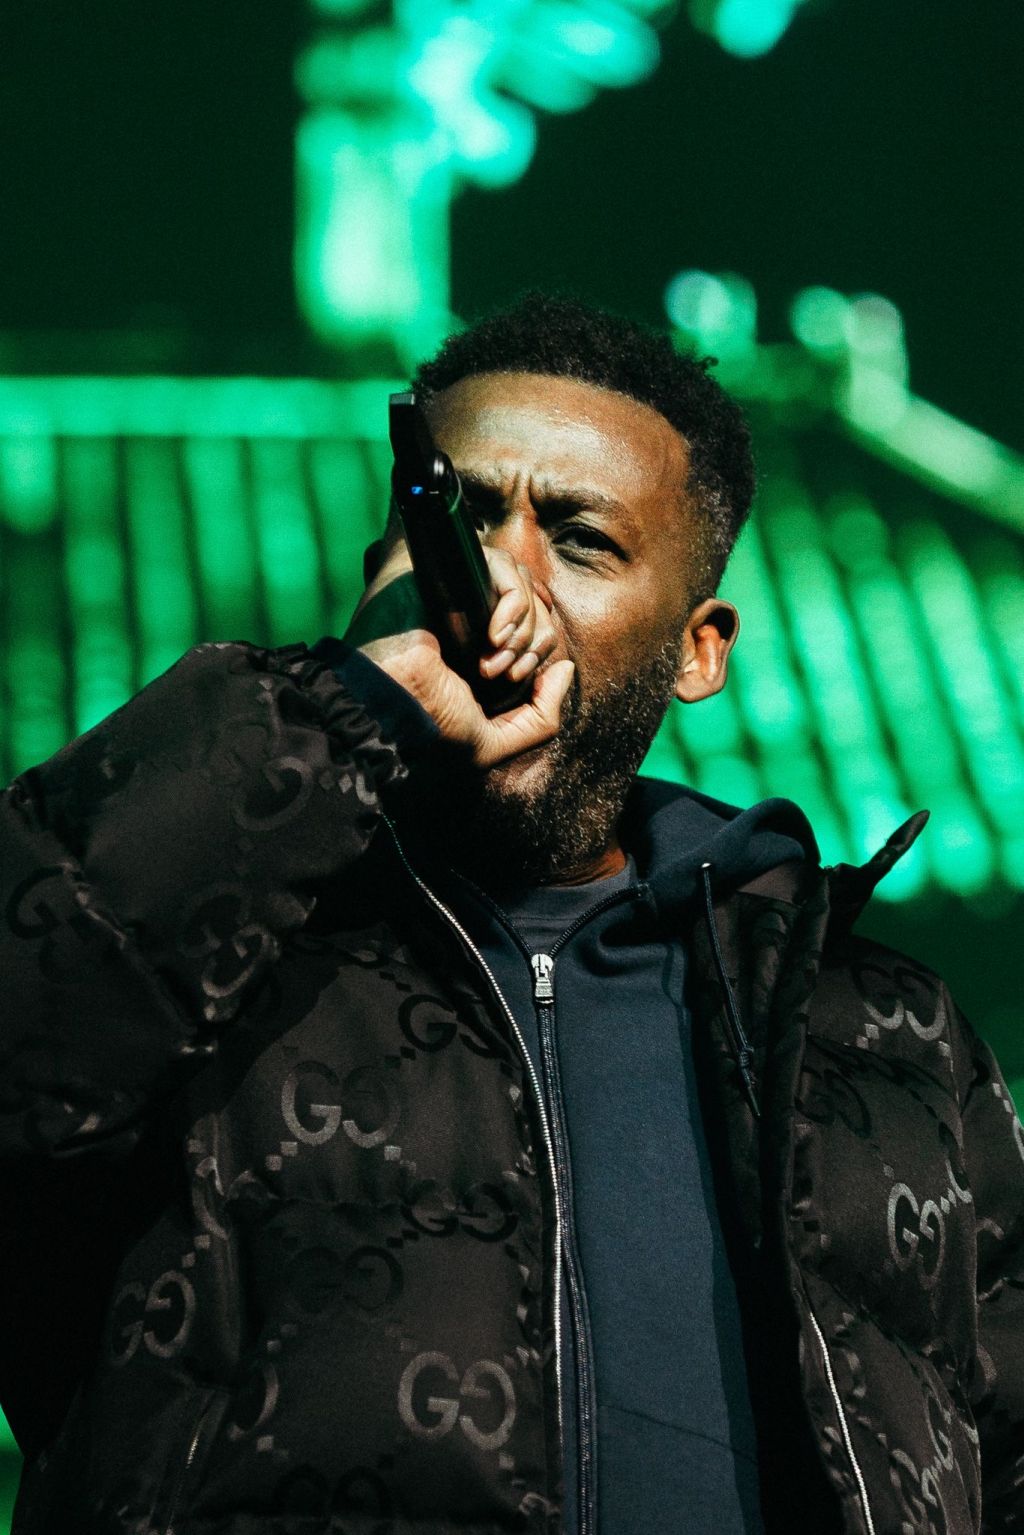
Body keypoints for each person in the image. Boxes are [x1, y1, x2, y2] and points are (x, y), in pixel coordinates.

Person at [0, 293, 1022, 1535]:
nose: (495, 580)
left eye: (580, 541)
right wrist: (339, 715)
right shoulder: (206, 968)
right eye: (459, 518)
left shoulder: (887, 1037)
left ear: (698, 650)